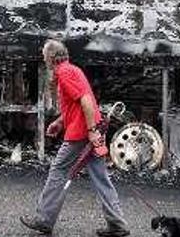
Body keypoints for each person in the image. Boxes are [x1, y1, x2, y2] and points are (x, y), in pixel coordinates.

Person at [20, 39, 130, 237]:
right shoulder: (72, 70)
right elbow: (77, 104)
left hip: (81, 134)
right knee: (100, 177)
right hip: (89, 129)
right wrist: (60, 122)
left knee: (59, 170)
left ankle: (44, 219)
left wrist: (91, 131)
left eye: (44, 56)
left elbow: (87, 102)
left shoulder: (64, 73)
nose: (43, 59)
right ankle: (117, 224)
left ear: (52, 57)